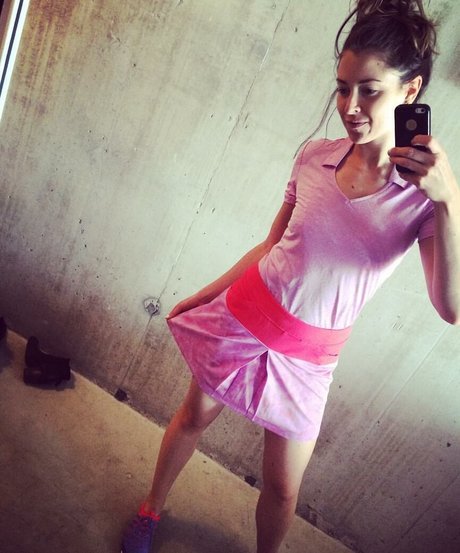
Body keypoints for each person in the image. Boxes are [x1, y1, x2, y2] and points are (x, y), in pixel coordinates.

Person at [121, 1, 460, 552]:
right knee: (192, 418)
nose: (351, 106)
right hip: (245, 314)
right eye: (342, 88)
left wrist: (449, 202)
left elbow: (451, 308)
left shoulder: (421, 202)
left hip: (310, 359)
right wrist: (204, 295)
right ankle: (149, 511)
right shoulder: (315, 156)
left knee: (281, 490)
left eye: (370, 90)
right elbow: (270, 245)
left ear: (411, 90)